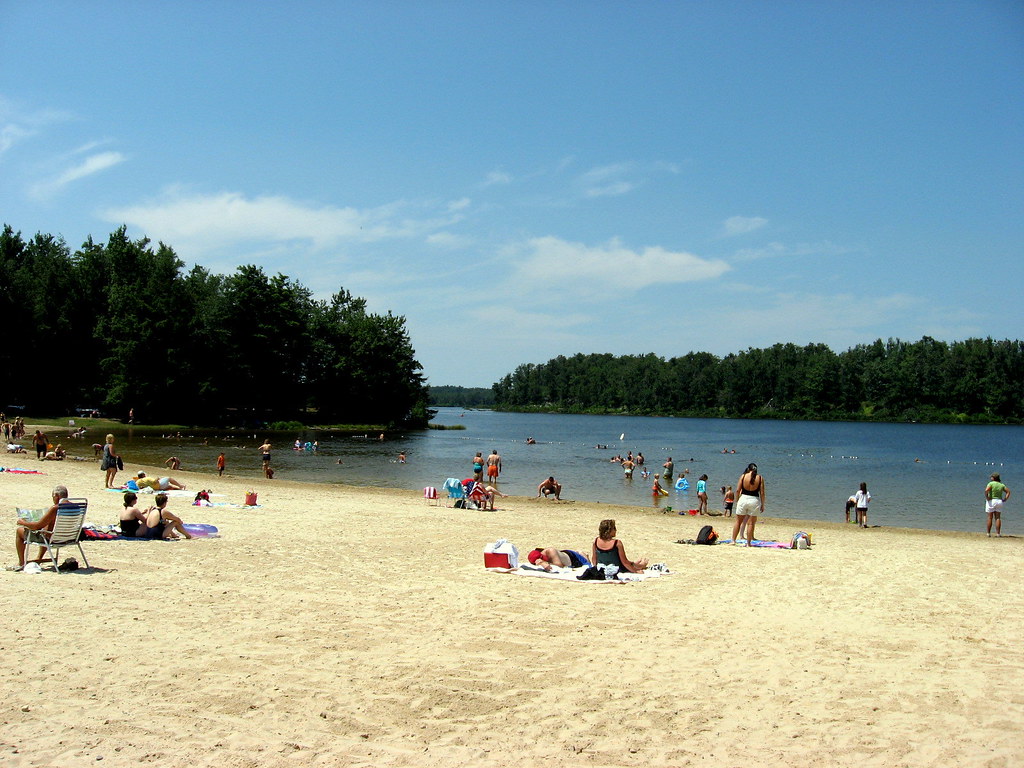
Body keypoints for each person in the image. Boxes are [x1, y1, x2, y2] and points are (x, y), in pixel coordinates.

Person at [10, 485, 71, 570]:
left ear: (57, 496)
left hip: (53, 539)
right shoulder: (77, 506)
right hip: (68, 537)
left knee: (19, 531)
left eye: (53, 496)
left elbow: (36, 526)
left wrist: (22, 522)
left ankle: (21, 562)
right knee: (46, 528)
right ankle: (39, 558)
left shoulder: (55, 508)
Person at [732, 463, 765, 546]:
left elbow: (737, 490)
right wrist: (763, 504)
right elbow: (762, 493)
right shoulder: (760, 478)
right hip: (754, 500)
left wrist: (737, 500)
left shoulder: (743, 476)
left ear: (748, 469)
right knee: (751, 523)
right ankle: (748, 543)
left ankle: (733, 540)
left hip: (743, 498)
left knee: (738, 521)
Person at [985, 473, 1011, 537]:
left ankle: (988, 533)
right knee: (998, 518)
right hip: (999, 501)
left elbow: (986, 490)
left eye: (991, 477)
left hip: (991, 501)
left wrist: (987, 497)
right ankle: (998, 534)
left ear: (993, 478)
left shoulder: (991, 483)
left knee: (990, 517)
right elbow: (1008, 492)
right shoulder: (1001, 485)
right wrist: (1005, 499)